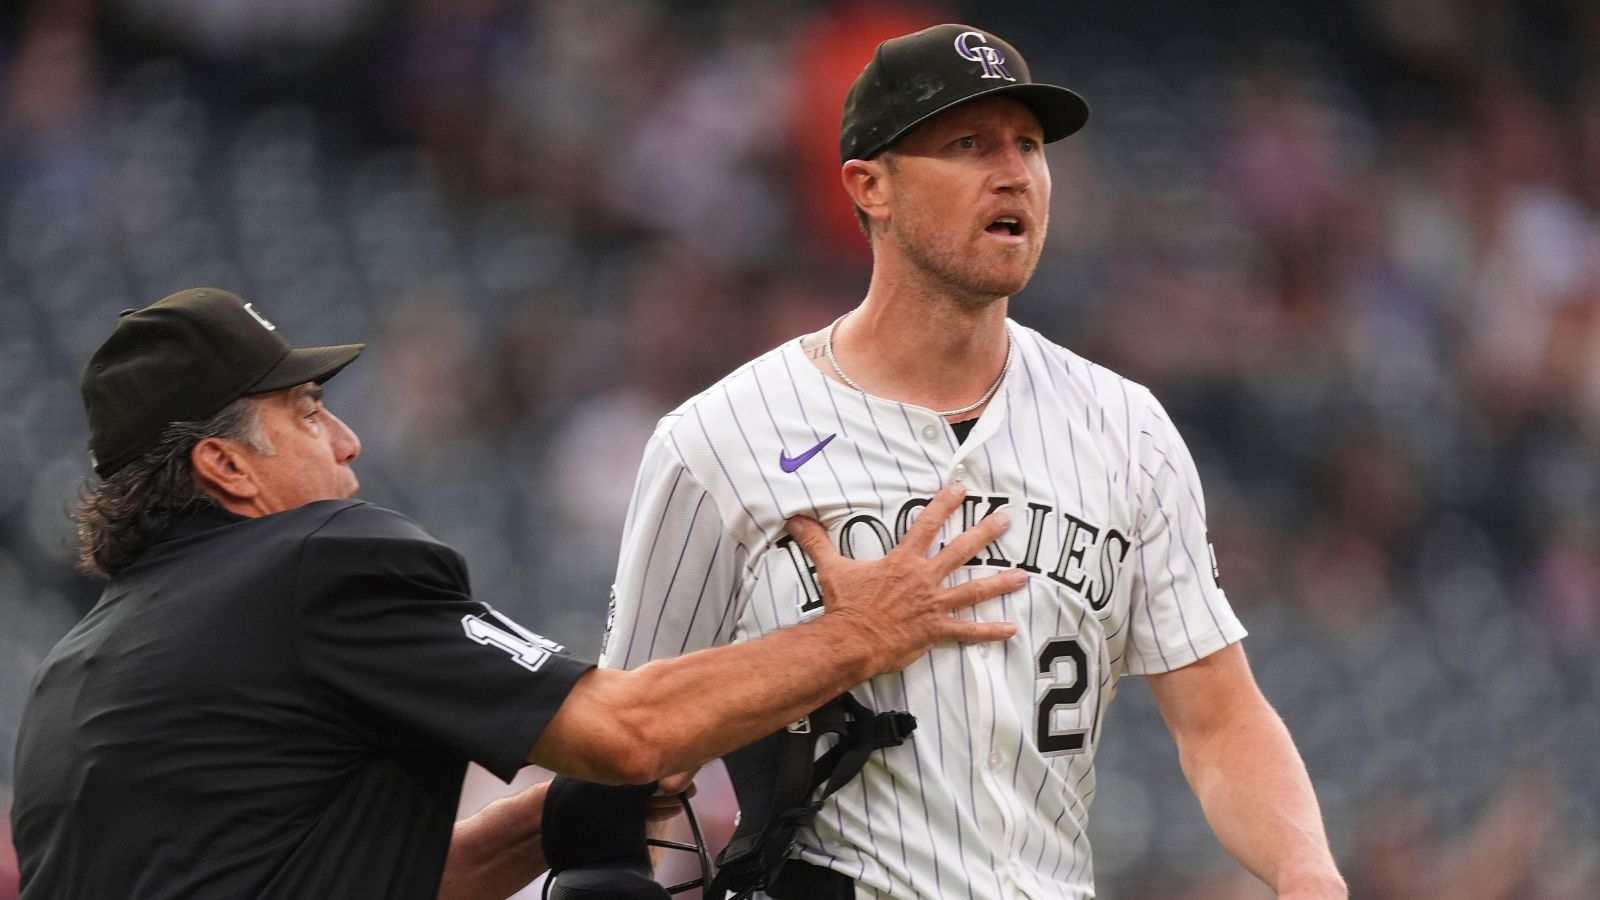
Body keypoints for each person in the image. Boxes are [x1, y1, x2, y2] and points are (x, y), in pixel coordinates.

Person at [601, 23, 1347, 900]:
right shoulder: (719, 440)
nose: (1015, 173)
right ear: (868, 185)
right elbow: (626, 747)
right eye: (967, 143)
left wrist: (1308, 877)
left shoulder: (1125, 426)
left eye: (1029, 145)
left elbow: (1220, 722)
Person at [8, 287, 1025, 899]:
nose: (348, 440)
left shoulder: (76, 671)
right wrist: (861, 631)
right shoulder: (315, 561)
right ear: (227, 468)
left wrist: (555, 821)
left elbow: (366, 884)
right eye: (309, 411)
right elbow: (628, 733)